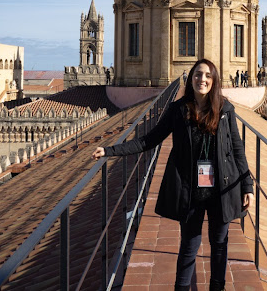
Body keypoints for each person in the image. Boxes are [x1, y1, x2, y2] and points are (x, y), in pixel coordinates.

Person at [92, 59, 254, 291]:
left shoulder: (225, 110)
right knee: (189, 246)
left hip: (221, 188)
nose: (202, 79)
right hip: (191, 190)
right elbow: (149, 140)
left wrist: (247, 186)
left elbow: (237, 149)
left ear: (214, 80)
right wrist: (110, 151)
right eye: (198, 74)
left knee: (219, 245)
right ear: (191, 79)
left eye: (208, 75)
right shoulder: (178, 110)